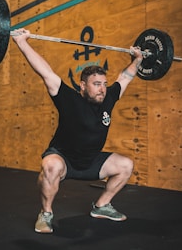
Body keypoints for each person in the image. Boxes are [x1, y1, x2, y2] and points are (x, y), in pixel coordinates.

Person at [12, 28, 143, 233]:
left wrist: (138, 58)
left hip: (91, 161)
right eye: (96, 84)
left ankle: (101, 206)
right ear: (83, 86)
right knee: (51, 166)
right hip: (64, 159)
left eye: (104, 84)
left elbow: (125, 77)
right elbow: (45, 72)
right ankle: (46, 213)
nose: (102, 89)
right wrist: (22, 42)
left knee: (125, 165)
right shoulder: (69, 99)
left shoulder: (108, 98)